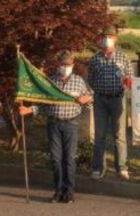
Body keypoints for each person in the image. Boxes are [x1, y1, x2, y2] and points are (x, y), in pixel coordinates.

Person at [20, 50, 92, 203]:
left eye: (68, 64)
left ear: (72, 65)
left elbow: (90, 100)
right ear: (58, 65)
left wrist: (88, 98)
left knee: (70, 159)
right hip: (54, 124)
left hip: (71, 124)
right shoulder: (51, 82)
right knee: (55, 159)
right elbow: (43, 104)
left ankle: (69, 192)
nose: (65, 67)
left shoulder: (79, 81)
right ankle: (58, 190)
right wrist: (29, 110)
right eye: (62, 64)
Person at [87, 26, 133, 180]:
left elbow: (131, 79)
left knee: (119, 135)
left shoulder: (123, 58)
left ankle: (122, 167)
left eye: (110, 36)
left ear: (115, 39)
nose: (107, 39)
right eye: (104, 36)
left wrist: (126, 83)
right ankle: (98, 168)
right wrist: (97, 92)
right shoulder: (95, 59)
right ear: (100, 39)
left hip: (118, 99)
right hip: (100, 99)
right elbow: (91, 80)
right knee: (99, 135)